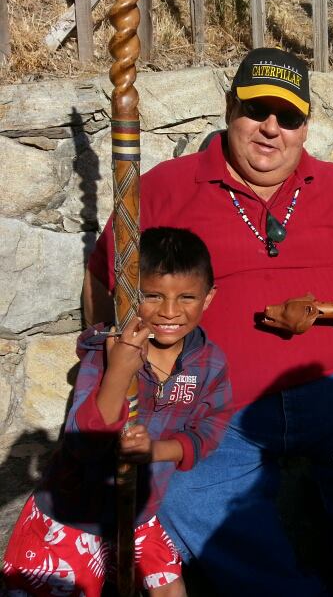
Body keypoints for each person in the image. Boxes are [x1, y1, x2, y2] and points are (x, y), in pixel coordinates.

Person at [82, 48, 333, 596]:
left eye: (288, 117)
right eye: (256, 111)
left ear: (304, 126)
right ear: (230, 108)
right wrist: (114, 356)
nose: (271, 128)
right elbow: (105, 275)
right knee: (180, 487)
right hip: (215, 401)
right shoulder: (165, 188)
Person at [3, 227, 232, 597]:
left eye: (187, 297)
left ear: (208, 298)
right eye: (152, 296)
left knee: (170, 589)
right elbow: (83, 441)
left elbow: (209, 430)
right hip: (74, 515)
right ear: (125, 297)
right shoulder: (107, 352)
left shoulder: (208, 363)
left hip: (140, 513)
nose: (169, 311)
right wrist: (119, 373)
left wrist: (156, 450)